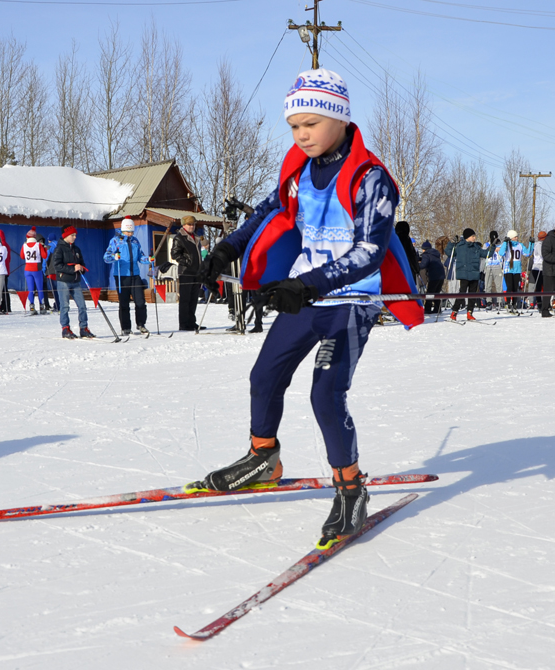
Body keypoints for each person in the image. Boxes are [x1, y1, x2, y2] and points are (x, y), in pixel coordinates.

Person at [196, 68, 422, 548]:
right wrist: (228, 248)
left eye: (311, 124)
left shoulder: (370, 177)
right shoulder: (298, 171)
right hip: (306, 296)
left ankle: (351, 489)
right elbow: (267, 209)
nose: (301, 135)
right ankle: (264, 458)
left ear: (339, 118)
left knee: (325, 394)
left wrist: (308, 283)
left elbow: (369, 254)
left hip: (350, 302)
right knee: (264, 375)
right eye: (294, 126)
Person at [104, 217, 150, 335]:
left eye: (131, 232)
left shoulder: (135, 241)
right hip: (122, 276)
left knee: (140, 301)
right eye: (127, 231)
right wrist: (114, 257)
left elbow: (140, 256)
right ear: (123, 230)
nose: (130, 234)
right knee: (124, 303)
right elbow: (106, 257)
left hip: (135, 275)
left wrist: (148, 259)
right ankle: (125, 327)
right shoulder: (115, 241)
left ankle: (141, 324)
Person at [53, 226, 95, 339]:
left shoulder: (76, 249)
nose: (75, 237)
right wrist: (72, 269)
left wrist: (81, 268)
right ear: (66, 236)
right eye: (73, 235)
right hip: (63, 281)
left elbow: (82, 263)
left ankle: (84, 328)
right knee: (65, 306)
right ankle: (65, 328)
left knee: (82, 305)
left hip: (76, 281)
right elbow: (57, 266)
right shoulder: (59, 249)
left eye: (75, 235)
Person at [171, 215, 204, 331]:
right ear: (184, 225)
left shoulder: (196, 237)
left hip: (197, 272)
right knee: (185, 299)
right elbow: (174, 254)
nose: (192, 226)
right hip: (186, 272)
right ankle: (184, 324)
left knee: (194, 299)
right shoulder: (179, 238)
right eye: (189, 224)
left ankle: (192, 322)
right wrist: (187, 261)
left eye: (193, 224)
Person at [445, 229, 483, 321]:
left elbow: (486, 254)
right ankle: (454, 312)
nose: (474, 238)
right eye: (472, 236)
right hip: (464, 273)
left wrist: (492, 246)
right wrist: (451, 243)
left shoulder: (476, 247)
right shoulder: (460, 246)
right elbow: (449, 252)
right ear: (467, 237)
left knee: (472, 294)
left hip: (474, 273)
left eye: (474, 236)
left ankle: (470, 313)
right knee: (462, 293)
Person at [498, 230, 532, 313]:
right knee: (509, 287)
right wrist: (505, 242)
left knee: (515, 288)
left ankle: (514, 304)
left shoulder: (520, 245)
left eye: (517, 236)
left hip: (517, 270)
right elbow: (501, 253)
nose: (516, 238)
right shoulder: (506, 245)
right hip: (508, 269)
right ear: (510, 237)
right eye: (514, 237)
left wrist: (531, 244)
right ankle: (508, 303)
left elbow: (528, 253)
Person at [20, 227, 49, 314]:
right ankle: (42, 306)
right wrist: (44, 248)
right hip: (37, 268)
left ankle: (32, 307)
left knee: (30, 289)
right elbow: (44, 256)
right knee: (40, 288)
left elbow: (22, 256)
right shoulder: (38, 245)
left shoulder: (24, 245)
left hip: (27, 269)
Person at [419, 240, 445, 314]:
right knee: (436, 292)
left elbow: (423, 265)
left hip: (434, 276)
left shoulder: (426, 255)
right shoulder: (435, 254)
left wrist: (416, 266)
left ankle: (427, 309)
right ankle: (437, 308)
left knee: (430, 293)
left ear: (424, 249)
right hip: (441, 275)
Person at [483, 230, 503, 310]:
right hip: (488, 266)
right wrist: (491, 246)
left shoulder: (500, 245)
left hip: (497, 266)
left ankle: (499, 301)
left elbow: (503, 253)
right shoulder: (486, 244)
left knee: (499, 285)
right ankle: (489, 302)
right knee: (487, 285)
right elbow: (484, 253)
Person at [529, 231, 546, 311]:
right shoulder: (539, 245)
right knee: (539, 286)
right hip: (538, 267)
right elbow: (542, 254)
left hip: (542, 267)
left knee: (544, 286)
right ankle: (539, 304)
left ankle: (544, 303)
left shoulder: (542, 244)